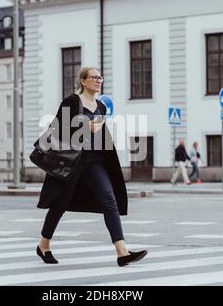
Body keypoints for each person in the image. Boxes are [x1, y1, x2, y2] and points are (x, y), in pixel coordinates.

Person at [35, 66, 148, 267]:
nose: (98, 80)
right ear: (83, 81)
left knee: (109, 199)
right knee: (60, 204)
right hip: (72, 162)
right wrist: (85, 127)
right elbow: (58, 128)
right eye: (94, 77)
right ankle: (44, 245)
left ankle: (122, 252)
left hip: (95, 162)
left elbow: (101, 136)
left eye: (100, 77)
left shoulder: (101, 107)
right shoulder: (72, 101)